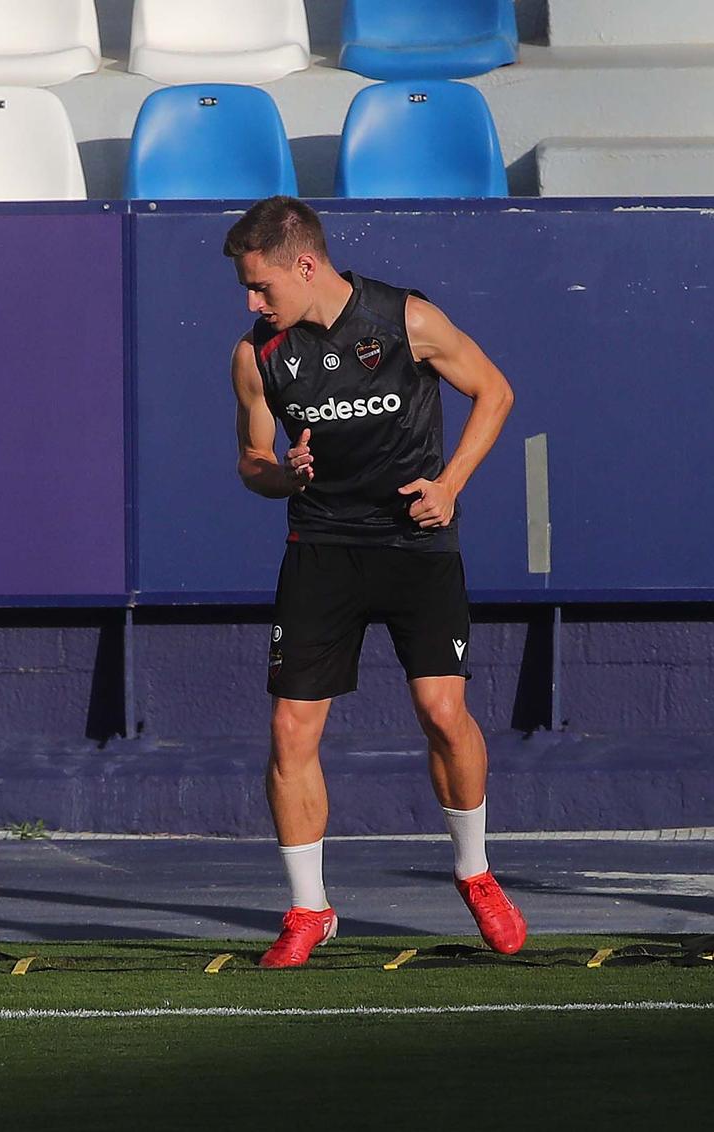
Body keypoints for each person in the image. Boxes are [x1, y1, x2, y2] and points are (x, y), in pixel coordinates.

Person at [224, 196, 525, 967]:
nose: (252, 301)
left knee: (442, 710)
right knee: (291, 730)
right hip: (321, 547)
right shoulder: (257, 354)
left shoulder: (409, 320)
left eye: (261, 286)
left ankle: (476, 872)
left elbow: (495, 392)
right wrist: (282, 474)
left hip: (416, 542)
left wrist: (451, 483)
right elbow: (251, 463)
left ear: (305, 264)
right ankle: (309, 910)